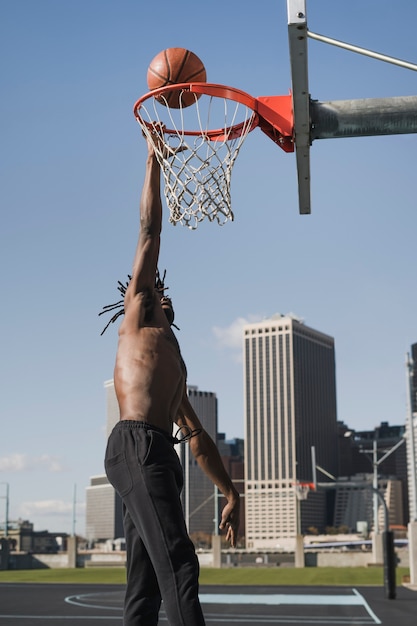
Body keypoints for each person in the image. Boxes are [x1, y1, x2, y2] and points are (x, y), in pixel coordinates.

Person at [103, 126, 240, 626]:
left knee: (145, 585)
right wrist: (152, 159)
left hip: (160, 451)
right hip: (136, 445)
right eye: (152, 286)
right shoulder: (137, 316)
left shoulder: (175, 363)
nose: (161, 288)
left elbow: (198, 439)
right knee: (180, 561)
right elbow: (148, 230)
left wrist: (230, 492)